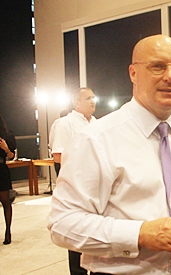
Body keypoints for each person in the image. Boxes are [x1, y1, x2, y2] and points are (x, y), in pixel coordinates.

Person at [48, 34, 171, 275]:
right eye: (157, 66)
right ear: (133, 73)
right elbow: (62, 224)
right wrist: (138, 234)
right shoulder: (96, 139)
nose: (170, 76)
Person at [50, 88, 96, 275]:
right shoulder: (66, 124)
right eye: (88, 98)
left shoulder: (97, 123)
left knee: (94, 229)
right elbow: (58, 155)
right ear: (76, 102)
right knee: (77, 229)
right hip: (77, 183)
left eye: (94, 97)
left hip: (96, 183)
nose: (93, 101)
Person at [0, 115, 16, 245]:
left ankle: (8, 231)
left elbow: (11, 156)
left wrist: (6, 149)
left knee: (6, 201)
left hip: (1, 169)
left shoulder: (7, 135)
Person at [48, 108, 70, 175]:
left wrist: (52, 149)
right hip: (69, 157)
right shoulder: (70, 123)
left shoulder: (56, 123)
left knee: (60, 180)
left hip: (58, 156)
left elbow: (51, 140)